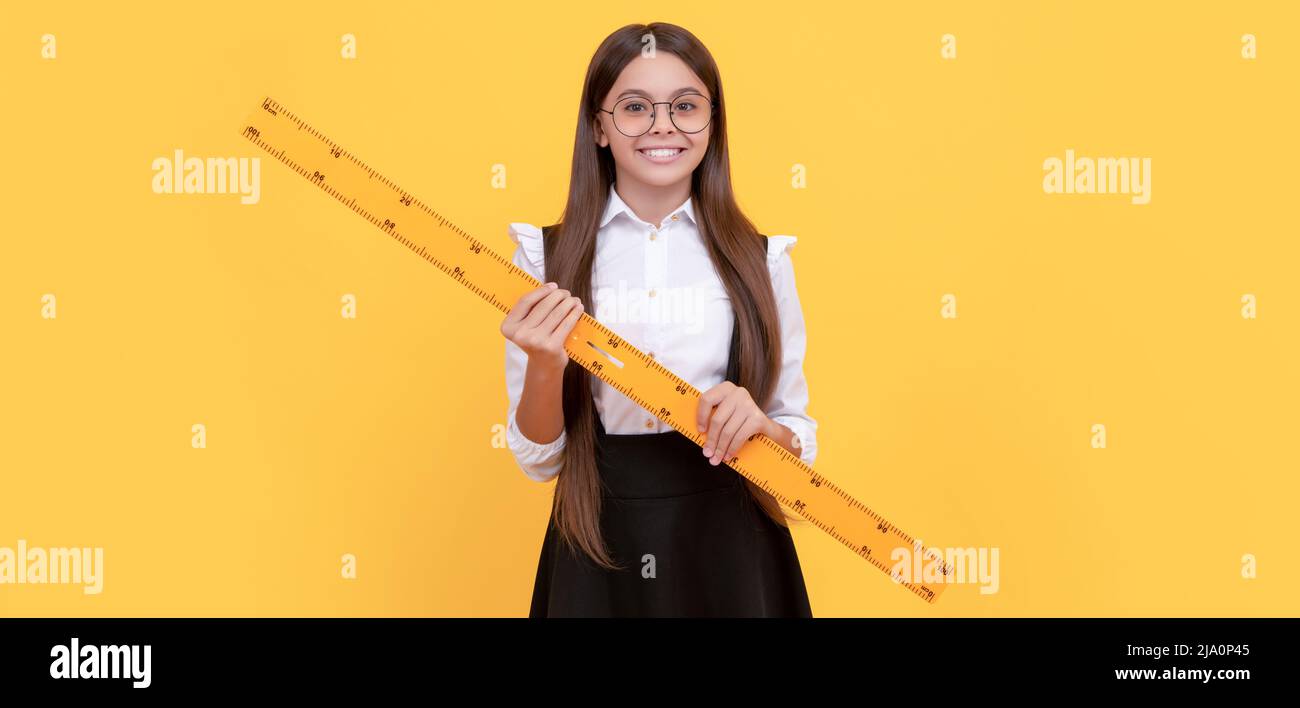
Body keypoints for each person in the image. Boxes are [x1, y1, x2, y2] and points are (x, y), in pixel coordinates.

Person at [500, 22, 817, 617]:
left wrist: (762, 427)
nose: (662, 125)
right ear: (598, 126)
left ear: (712, 123)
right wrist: (546, 365)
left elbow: (793, 442)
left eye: (686, 106)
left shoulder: (763, 261)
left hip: (732, 549)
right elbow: (540, 459)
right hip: (599, 543)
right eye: (635, 107)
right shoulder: (545, 256)